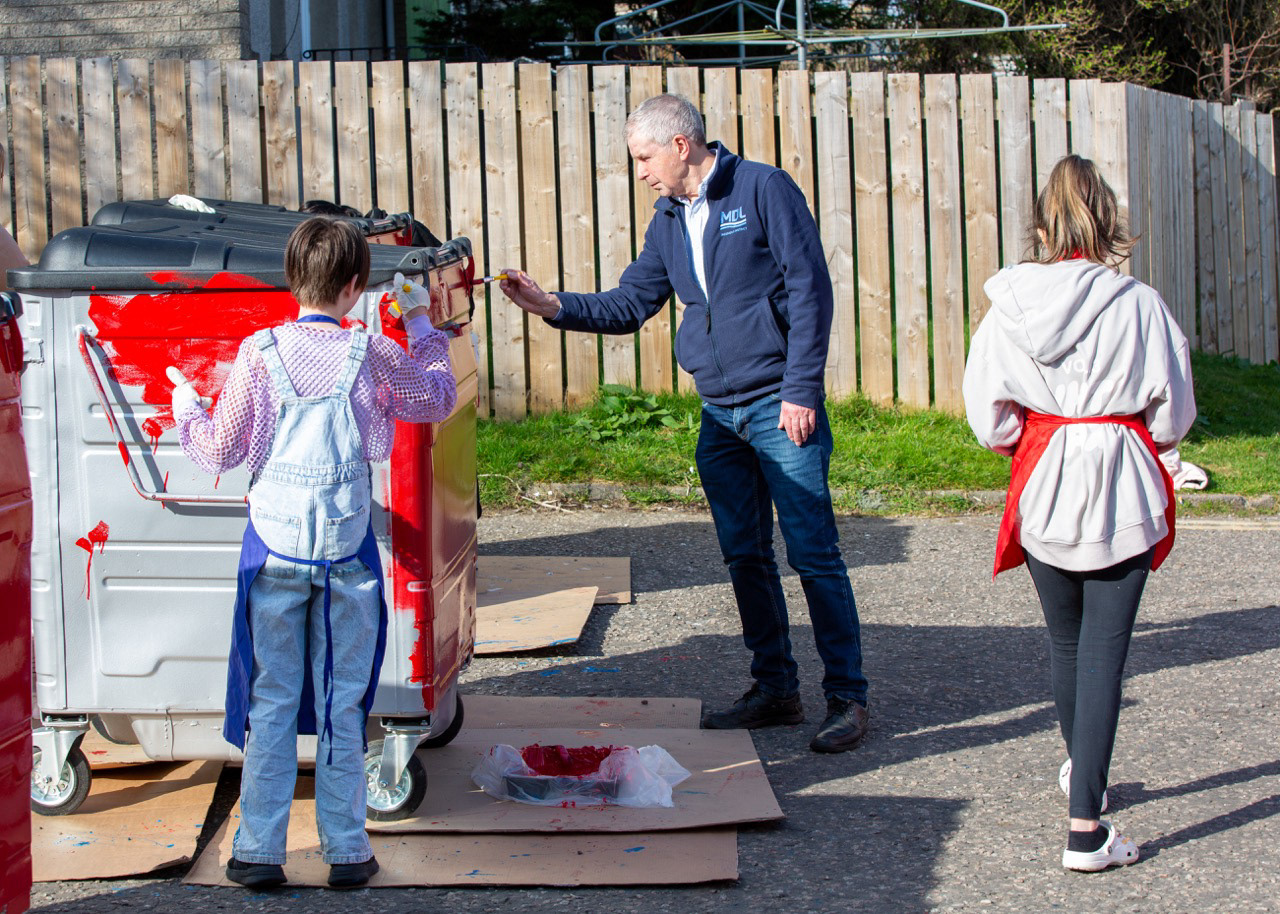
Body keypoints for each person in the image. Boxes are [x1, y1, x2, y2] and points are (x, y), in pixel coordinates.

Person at [498, 93, 870, 753]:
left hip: (779, 404)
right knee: (744, 555)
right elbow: (631, 301)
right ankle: (776, 689)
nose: (640, 171)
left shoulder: (763, 189)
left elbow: (811, 287)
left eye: (643, 157)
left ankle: (847, 697)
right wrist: (550, 304)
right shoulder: (668, 220)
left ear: (679, 145)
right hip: (719, 415)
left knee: (813, 554)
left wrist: (802, 388)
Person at [170, 217, 457, 888]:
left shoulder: (257, 352)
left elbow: (218, 449)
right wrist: (419, 326)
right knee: (341, 700)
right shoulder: (374, 352)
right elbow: (436, 397)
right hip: (346, 555)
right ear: (356, 287)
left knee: (271, 698)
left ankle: (257, 851)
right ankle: (348, 851)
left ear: (291, 278)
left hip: (272, 549)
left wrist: (187, 405)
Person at [962, 155, 1196, 872]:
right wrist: (1143, 437)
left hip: (1045, 477)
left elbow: (989, 417)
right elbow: (1172, 411)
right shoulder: (1140, 304)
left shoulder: (1010, 306)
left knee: (1068, 647)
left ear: (1042, 222)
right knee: (1103, 655)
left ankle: (1080, 768)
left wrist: (1031, 434)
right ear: (1109, 220)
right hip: (1120, 477)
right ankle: (1086, 829)